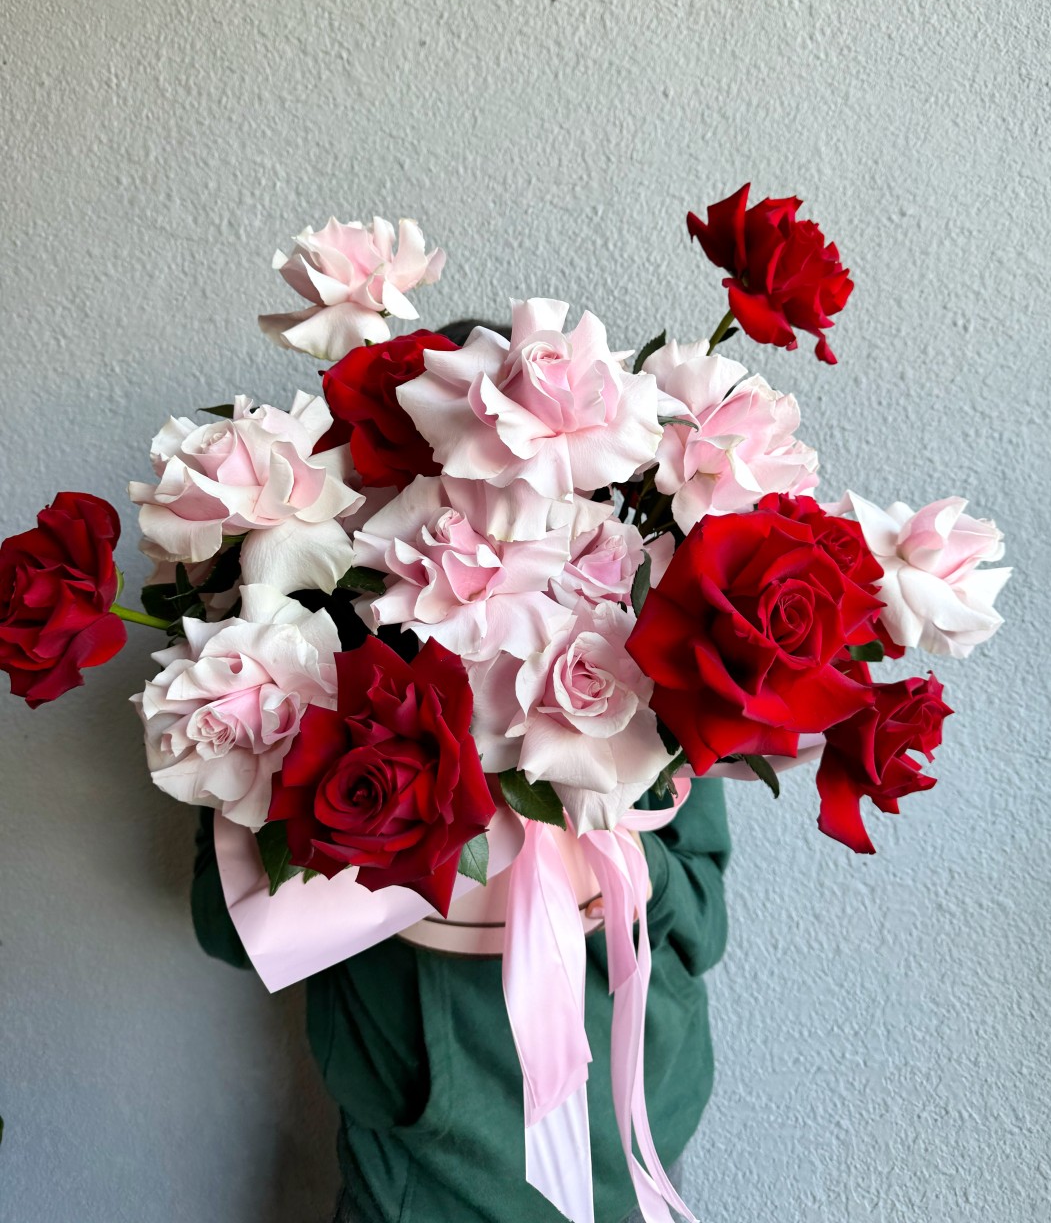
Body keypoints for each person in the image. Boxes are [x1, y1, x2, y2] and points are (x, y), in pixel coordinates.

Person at [190, 320, 733, 1223]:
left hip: (643, 1135)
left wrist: (618, 863)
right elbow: (231, 926)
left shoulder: (641, 661)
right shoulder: (294, 682)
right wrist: (386, 836)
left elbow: (703, 921)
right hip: (425, 1170)